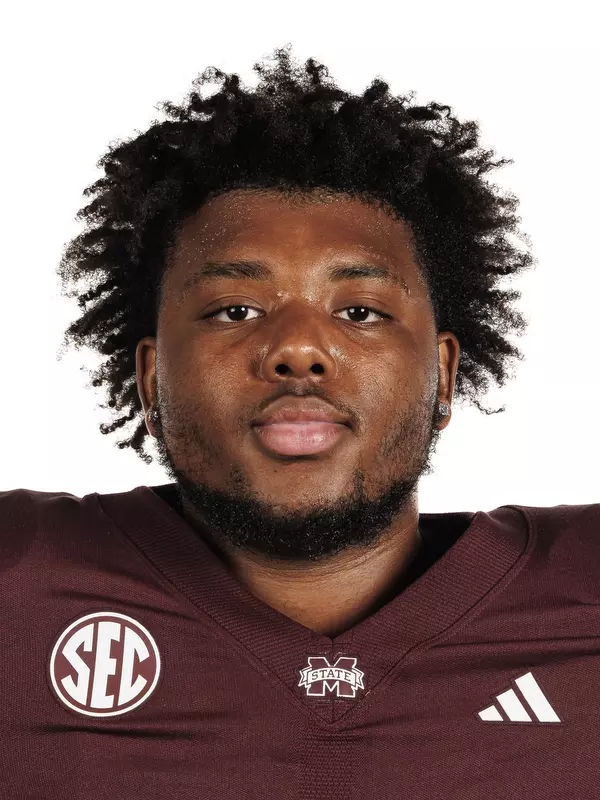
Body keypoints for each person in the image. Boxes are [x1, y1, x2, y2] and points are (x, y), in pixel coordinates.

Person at [2, 45, 597, 799]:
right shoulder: (19, 583)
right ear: (151, 380)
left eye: (359, 311)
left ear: (443, 375)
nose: (296, 350)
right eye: (235, 310)